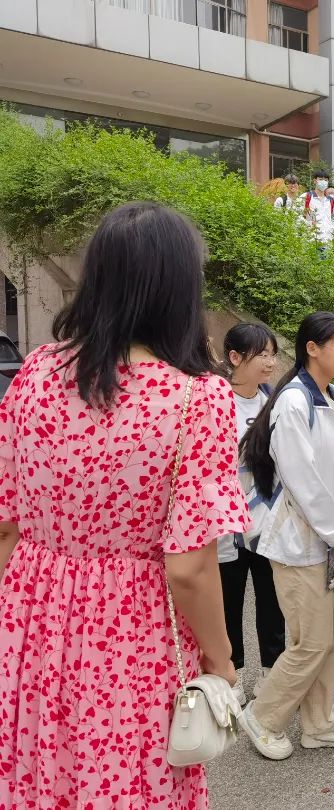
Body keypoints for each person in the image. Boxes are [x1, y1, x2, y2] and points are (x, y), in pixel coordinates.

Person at [0, 201, 248, 808]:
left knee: (36, 771)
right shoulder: (196, 400)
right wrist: (220, 660)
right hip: (128, 631)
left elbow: (5, 521)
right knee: (125, 781)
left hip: (29, 614)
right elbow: (189, 568)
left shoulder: (33, 374)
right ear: (178, 289)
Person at [237, 311, 334, 761]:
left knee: (333, 639)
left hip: (332, 541)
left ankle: (319, 724)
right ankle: (263, 716)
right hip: (298, 545)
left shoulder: (333, 398)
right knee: (310, 643)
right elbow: (301, 478)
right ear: (313, 349)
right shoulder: (294, 402)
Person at [218, 322, 287, 708]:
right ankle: (233, 674)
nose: (270, 362)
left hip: (267, 522)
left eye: (272, 354)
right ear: (235, 358)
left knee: (271, 599)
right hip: (226, 524)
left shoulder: (273, 402)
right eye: (262, 354)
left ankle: (271, 673)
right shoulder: (216, 402)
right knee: (228, 601)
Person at [302, 170, 334, 246]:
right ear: (315, 181)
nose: (324, 182)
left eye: (326, 180)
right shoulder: (306, 197)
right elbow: (296, 215)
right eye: (321, 179)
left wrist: (331, 229)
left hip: (327, 241)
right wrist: (308, 225)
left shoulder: (331, 200)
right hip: (310, 241)